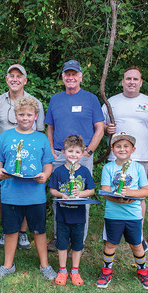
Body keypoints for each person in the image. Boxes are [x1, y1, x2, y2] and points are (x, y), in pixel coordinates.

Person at [0, 97, 56, 280]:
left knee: (39, 231)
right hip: (11, 193)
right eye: (21, 114)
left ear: (35, 116)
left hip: (35, 194)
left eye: (29, 115)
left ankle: (45, 265)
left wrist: (45, 175)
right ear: (15, 115)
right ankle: (7, 265)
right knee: (10, 231)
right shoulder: (6, 136)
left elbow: (48, 164)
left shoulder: (41, 138)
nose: (25, 118)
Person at [102, 66, 148, 249]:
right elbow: (99, 126)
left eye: (135, 79)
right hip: (115, 158)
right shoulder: (111, 102)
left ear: (141, 82)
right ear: (122, 81)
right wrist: (108, 129)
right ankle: (110, 233)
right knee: (113, 192)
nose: (131, 82)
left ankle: (138, 234)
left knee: (138, 196)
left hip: (140, 157)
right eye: (128, 78)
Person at [45, 59, 105, 251]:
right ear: (63, 77)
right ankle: (59, 237)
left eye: (74, 74)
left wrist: (89, 151)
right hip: (59, 156)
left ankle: (78, 241)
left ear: (80, 77)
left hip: (82, 156)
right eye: (67, 74)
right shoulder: (55, 99)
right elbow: (50, 128)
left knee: (80, 197)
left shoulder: (90, 99)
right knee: (59, 197)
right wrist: (51, 153)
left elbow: (100, 128)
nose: (70, 77)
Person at [0, 64, 45, 250]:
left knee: (27, 191)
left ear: (25, 80)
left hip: (28, 156)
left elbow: (38, 133)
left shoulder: (35, 103)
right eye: (11, 76)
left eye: (18, 76)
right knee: (6, 194)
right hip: (4, 156)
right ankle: (8, 229)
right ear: (7, 79)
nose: (15, 79)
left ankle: (22, 232)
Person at [96, 132, 148, 290]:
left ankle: (142, 271)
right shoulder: (108, 168)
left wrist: (130, 194)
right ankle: (106, 271)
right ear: (112, 149)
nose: (122, 149)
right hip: (113, 214)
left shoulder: (138, 168)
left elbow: (145, 191)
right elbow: (105, 191)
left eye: (126, 146)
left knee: (136, 244)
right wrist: (118, 199)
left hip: (133, 214)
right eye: (118, 146)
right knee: (111, 244)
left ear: (133, 149)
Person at [48, 135, 96, 286]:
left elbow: (92, 191)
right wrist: (61, 194)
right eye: (70, 151)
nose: (73, 155)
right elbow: (52, 190)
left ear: (82, 154)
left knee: (77, 245)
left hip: (79, 216)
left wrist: (80, 193)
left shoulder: (85, 172)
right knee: (61, 244)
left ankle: (75, 270)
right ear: (63, 152)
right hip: (62, 215)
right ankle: (63, 270)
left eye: (77, 152)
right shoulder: (59, 171)